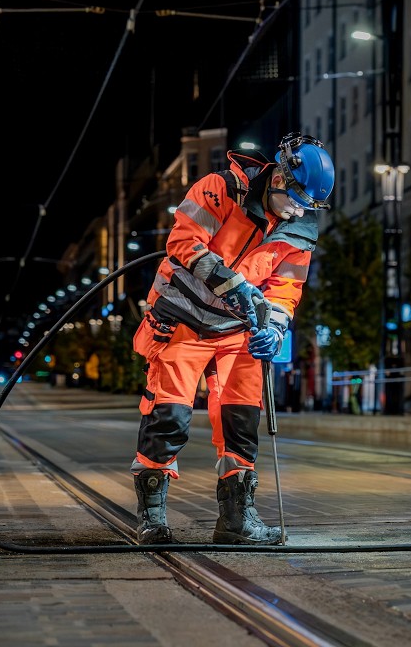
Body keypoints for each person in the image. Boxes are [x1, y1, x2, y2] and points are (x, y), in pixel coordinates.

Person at [129, 132, 335, 545]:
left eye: (306, 206)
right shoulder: (220, 189)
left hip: (240, 332)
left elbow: (285, 287)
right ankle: (152, 518)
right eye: (294, 199)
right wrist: (234, 284)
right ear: (278, 176)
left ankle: (236, 520)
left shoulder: (301, 229)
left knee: (241, 421)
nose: (296, 211)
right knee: (168, 418)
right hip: (183, 320)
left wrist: (275, 327)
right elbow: (184, 244)